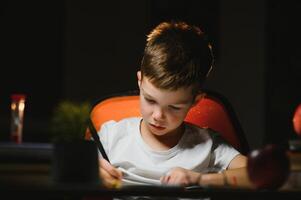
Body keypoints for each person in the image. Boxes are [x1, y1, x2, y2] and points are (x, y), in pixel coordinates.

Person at [97, 21, 253, 189]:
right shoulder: (110, 137)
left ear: (196, 101)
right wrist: (92, 172)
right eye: (150, 100)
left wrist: (200, 179)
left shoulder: (207, 145)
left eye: (174, 107)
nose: (158, 116)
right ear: (140, 81)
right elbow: (69, 170)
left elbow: (263, 176)